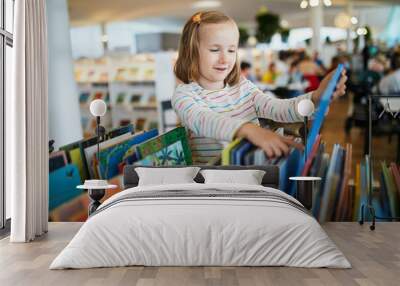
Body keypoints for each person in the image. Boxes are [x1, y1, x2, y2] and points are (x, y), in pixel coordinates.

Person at [172, 11, 347, 164]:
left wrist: (316, 98)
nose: (225, 59)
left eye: (231, 50)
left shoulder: (242, 87)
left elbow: (279, 108)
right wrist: (248, 130)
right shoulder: (184, 95)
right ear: (191, 52)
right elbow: (203, 119)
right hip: (213, 187)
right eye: (215, 50)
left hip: (250, 173)